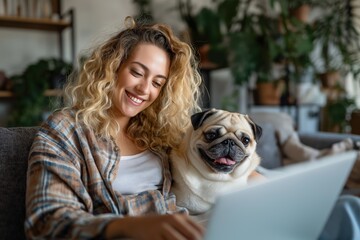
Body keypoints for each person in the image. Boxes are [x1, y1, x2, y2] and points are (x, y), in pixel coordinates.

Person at [25, 17, 205, 239]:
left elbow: (212, 169)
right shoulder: (66, 129)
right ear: (113, 67)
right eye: (137, 73)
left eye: (157, 83)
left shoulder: (161, 135)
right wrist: (130, 226)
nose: (144, 89)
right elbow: (47, 220)